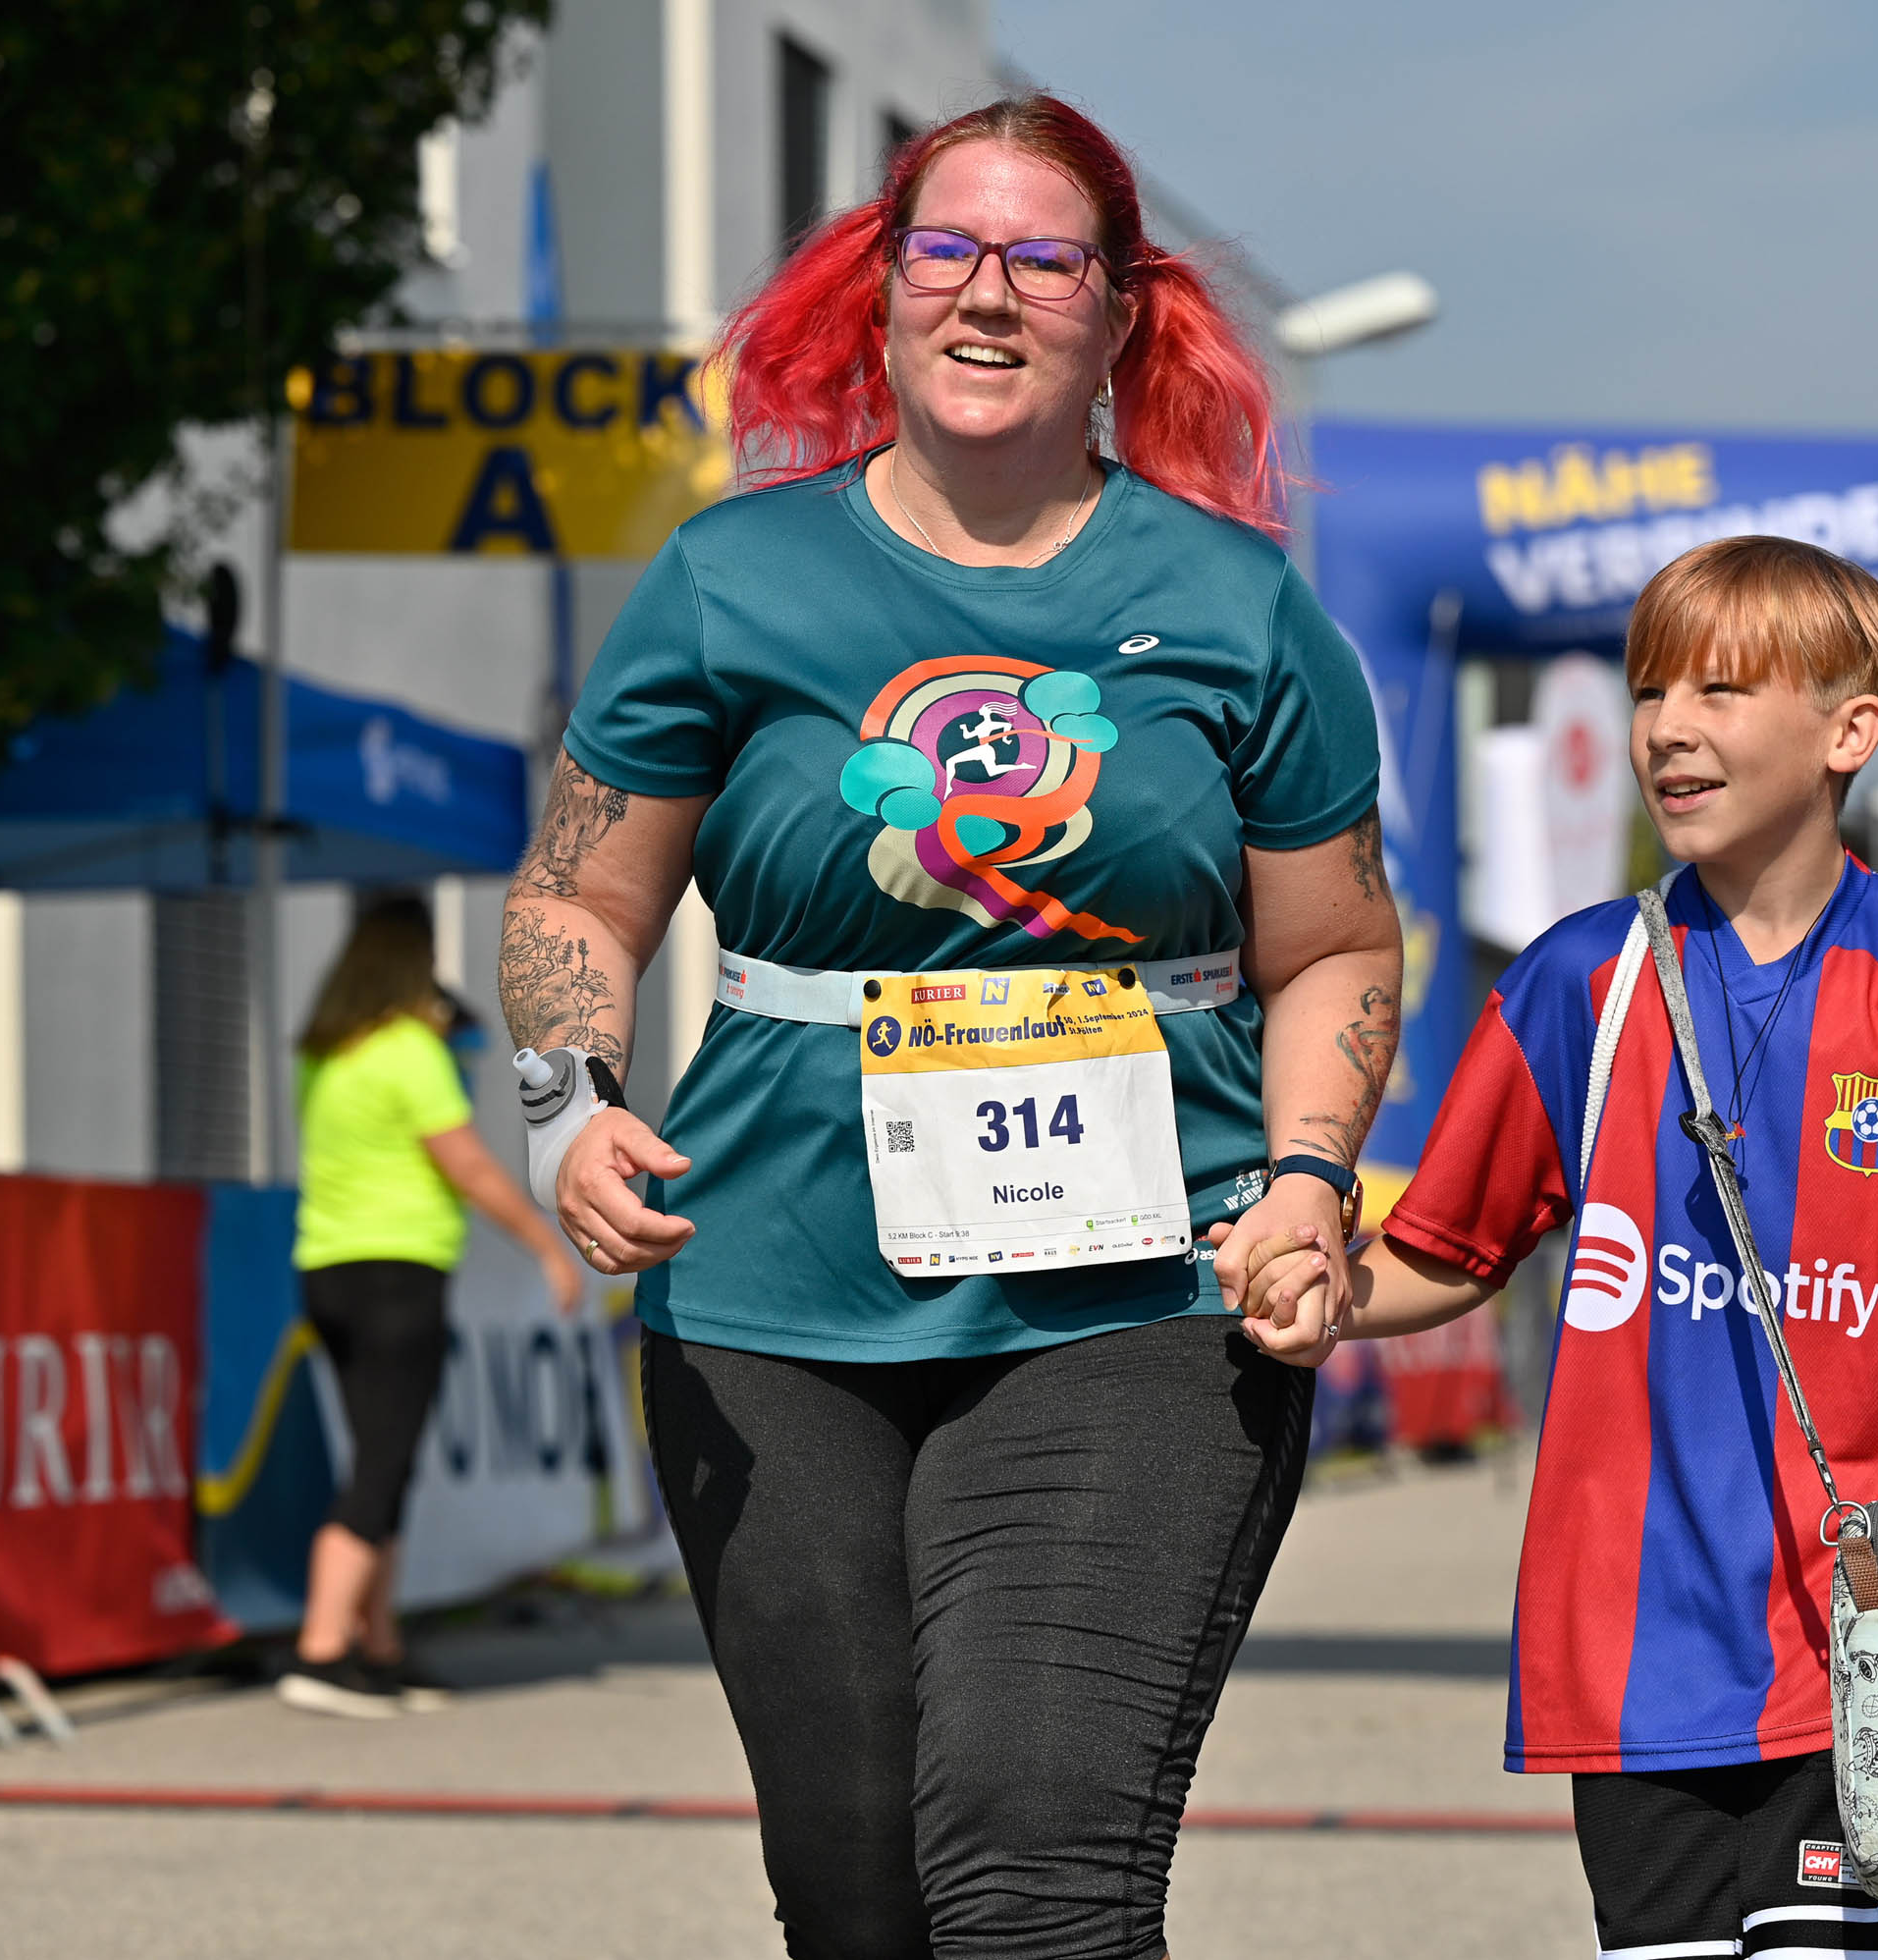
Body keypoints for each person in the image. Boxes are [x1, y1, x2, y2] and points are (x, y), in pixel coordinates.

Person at [498, 95, 1399, 1960]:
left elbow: (1333, 947)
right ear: (883, 288)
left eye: (1044, 261)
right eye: (948, 251)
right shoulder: (732, 579)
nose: (989, 295)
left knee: (1035, 1872)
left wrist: (1311, 1177)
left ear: (1121, 313)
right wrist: (568, 1100)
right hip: (769, 1300)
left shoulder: (1235, 603)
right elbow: (575, 898)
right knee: (858, 1897)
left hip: (1145, 1295)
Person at [1219, 534, 1878, 1958]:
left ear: (1851, 730)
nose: (1668, 726)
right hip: (1630, 1645)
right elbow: (1453, 1248)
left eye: (1720, 689)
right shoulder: (1578, 978)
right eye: (1650, 689)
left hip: (1862, 1637)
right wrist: (1325, 1291)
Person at [279, 895, 583, 1719]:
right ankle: (321, 1649)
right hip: (398, 1272)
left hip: (327, 1267)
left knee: (383, 1457)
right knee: (382, 1463)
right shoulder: (409, 1051)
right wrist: (546, 1243)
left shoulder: (324, 1054)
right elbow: (468, 1165)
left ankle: (377, 1644)